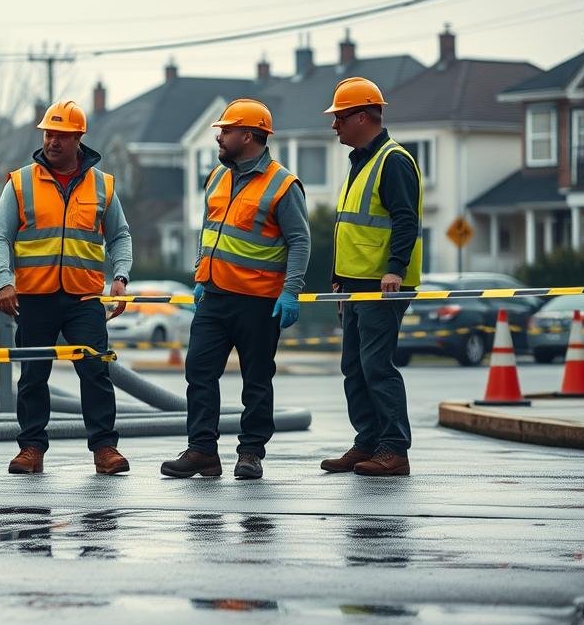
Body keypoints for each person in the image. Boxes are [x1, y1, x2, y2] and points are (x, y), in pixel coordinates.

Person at [160, 99, 310, 481]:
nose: (219, 136)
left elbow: (299, 240)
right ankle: (202, 452)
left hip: (259, 302)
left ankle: (250, 453)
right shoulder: (217, 177)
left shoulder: (283, 184)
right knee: (199, 372)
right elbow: (208, 230)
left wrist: (291, 290)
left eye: (226, 130)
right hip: (214, 297)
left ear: (248, 135)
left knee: (256, 380)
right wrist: (199, 274)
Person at [0, 100, 133, 475]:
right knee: (34, 374)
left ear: (78, 139)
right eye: (48, 134)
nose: (52, 141)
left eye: (61, 135)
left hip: (84, 297)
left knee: (95, 371)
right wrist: (3, 281)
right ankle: (31, 449)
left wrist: (120, 278)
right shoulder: (20, 182)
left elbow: (120, 236)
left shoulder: (103, 184)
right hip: (34, 297)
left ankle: (105, 449)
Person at [319, 77, 423, 477]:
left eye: (340, 117)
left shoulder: (392, 160)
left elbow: (405, 220)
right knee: (355, 366)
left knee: (376, 365)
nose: (335, 126)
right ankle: (368, 443)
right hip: (356, 284)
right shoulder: (361, 161)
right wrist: (337, 278)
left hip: (382, 285)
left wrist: (394, 269)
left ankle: (394, 449)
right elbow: (350, 227)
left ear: (362, 116)